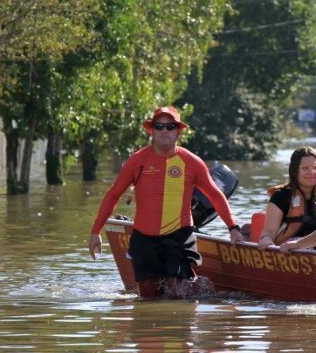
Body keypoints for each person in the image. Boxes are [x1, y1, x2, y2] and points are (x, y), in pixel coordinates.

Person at [88, 106, 243, 297]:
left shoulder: (192, 162)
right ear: (152, 130)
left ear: (178, 130)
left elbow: (215, 195)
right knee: (148, 296)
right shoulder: (137, 160)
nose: (164, 131)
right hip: (144, 240)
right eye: (159, 126)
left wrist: (233, 229)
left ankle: (192, 295)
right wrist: (96, 231)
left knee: (179, 294)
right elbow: (113, 195)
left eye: (170, 126)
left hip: (179, 236)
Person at [257, 146, 316, 250]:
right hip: (289, 247)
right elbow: (268, 233)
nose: (312, 172)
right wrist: (266, 240)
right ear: (295, 171)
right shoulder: (281, 197)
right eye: (305, 168)